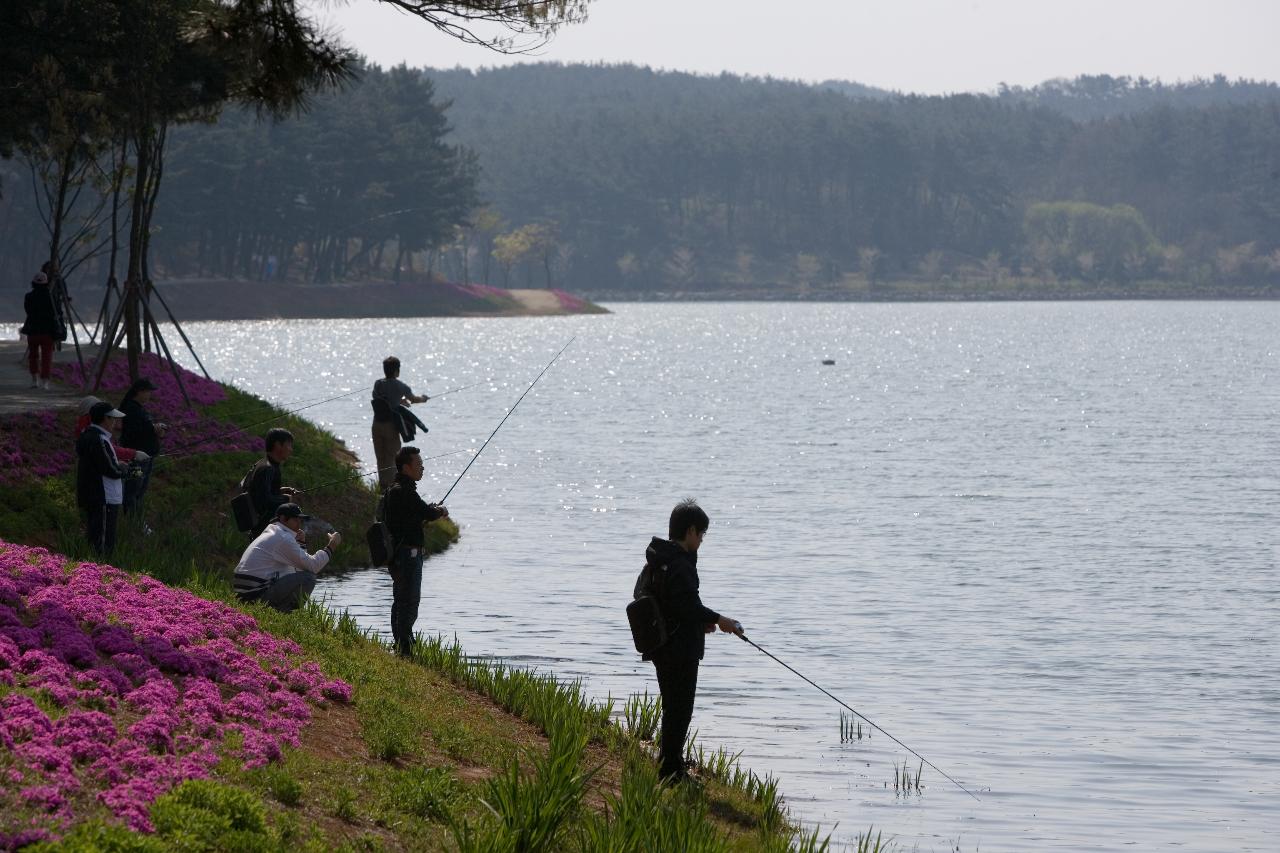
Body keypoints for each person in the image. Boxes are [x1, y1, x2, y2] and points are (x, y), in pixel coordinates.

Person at [642, 499, 743, 783]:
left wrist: (701, 623)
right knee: (680, 710)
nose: (701, 541)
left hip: (662, 646)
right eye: (701, 535)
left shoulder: (659, 560)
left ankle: (669, 766)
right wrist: (721, 620)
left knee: (671, 708)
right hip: (680, 650)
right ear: (690, 531)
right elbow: (687, 606)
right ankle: (671, 771)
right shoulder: (681, 564)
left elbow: (673, 606)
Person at [383, 445, 448, 657]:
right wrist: (440, 511)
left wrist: (427, 513)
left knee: (401, 600)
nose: (422, 468)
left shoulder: (397, 489)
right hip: (407, 555)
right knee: (409, 601)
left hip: (401, 555)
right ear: (406, 467)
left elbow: (414, 514)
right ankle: (405, 647)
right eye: (418, 464)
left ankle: (401, 644)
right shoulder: (404, 491)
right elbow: (426, 512)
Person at [232, 503, 340, 612]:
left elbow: (298, 568)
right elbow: (313, 566)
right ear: (283, 519)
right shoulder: (283, 538)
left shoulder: (273, 532)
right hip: (255, 596)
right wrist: (332, 546)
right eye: (295, 519)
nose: (299, 523)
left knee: (295, 572)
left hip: (245, 594)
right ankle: (282, 611)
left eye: (300, 519)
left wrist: (301, 543)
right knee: (308, 578)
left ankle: (278, 610)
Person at [76, 402, 128, 556]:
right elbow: (109, 470)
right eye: (112, 418)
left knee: (94, 536)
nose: (115, 422)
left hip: (92, 495)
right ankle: (101, 570)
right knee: (103, 541)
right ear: (105, 419)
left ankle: (93, 569)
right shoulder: (99, 439)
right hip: (103, 497)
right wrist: (124, 470)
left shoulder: (87, 435)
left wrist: (117, 464)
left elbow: (99, 464)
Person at [371, 356, 429, 490]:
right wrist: (424, 398)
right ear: (397, 371)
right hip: (391, 427)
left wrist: (399, 401)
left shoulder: (378, 383)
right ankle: (392, 488)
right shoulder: (400, 386)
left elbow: (382, 399)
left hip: (376, 425)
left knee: (381, 457)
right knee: (392, 458)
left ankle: (383, 486)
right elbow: (413, 399)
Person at [119, 378, 167, 518]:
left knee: (140, 490)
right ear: (139, 391)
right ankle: (131, 520)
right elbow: (135, 433)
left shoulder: (139, 409)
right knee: (134, 488)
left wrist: (156, 429)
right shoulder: (131, 409)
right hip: (137, 460)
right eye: (148, 391)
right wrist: (153, 429)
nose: (150, 395)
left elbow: (144, 429)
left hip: (146, 458)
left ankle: (137, 521)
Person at [245, 428, 297, 536]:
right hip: (263, 528)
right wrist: (286, 499)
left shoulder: (264, 463)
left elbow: (260, 491)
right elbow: (264, 500)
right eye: (289, 445)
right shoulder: (268, 468)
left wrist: (280, 491)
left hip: (259, 526)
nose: (291, 450)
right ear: (278, 445)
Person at [21, 271, 62, 389]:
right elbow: (58, 312)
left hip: (32, 330)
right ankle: (45, 381)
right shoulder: (51, 296)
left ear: (33, 283)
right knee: (46, 357)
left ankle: (34, 380)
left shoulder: (28, 296)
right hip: (48, 332)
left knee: (33, 356)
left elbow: (28, 311)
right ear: (46, 283)